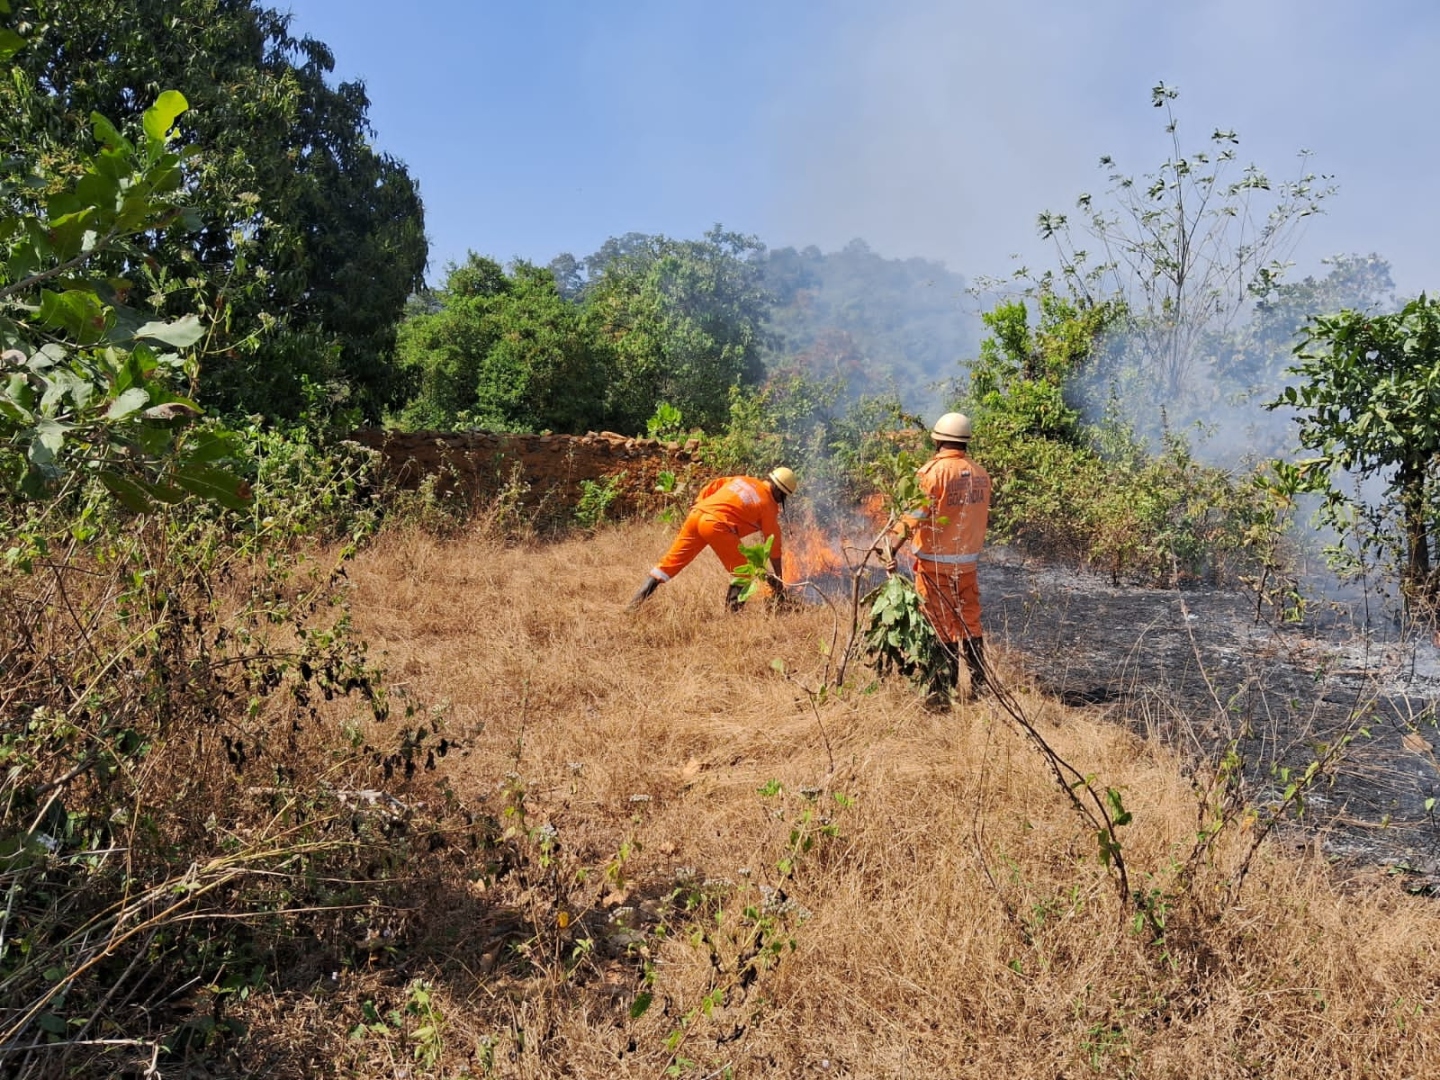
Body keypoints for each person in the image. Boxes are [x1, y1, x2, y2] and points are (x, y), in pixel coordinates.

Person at [882, 413, 992, 704]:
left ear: (938, 439)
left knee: (939, 624)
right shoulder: (981, 474)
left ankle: (943, 691)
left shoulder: (932, 474)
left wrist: (890, 548)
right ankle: (979, 688)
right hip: (967, 564)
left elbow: (913, 516)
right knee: (970, 621)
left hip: (935, 565)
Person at [629, 468, 798, 612]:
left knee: (668, 564)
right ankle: (733, 617)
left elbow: (714, 485)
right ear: (778, 491)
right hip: (716, 525)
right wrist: (778, 579)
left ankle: (633, 606)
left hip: (697, 515)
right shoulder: (768, 505)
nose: (781, 500)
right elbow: (774, 544)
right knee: (744, 571)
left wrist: (700, 504)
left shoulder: (743, 480)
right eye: (783, 497)